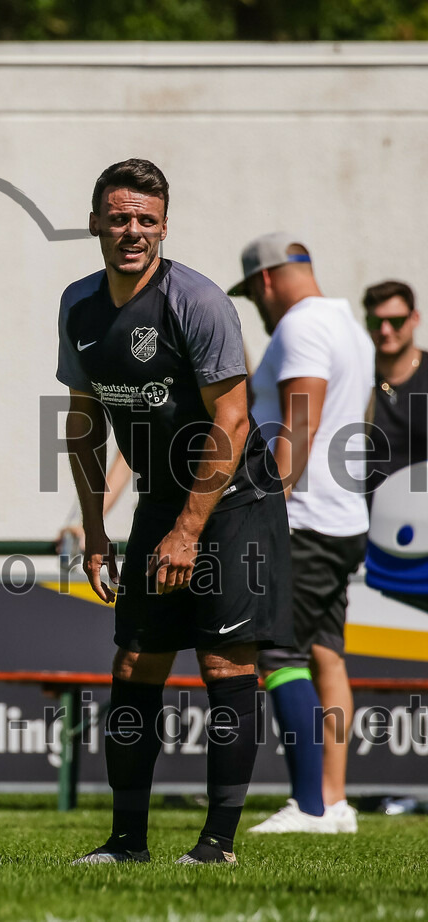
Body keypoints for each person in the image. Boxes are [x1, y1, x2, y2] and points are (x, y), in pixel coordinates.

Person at [58, 159, 291, 866]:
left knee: (224, 665)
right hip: (160, 502)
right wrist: (96, 529)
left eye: (146, 220)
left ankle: (215, 844)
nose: (133, 231)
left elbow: (233, 421)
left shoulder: (197, 300)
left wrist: (190, 530)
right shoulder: (78, 304)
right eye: (120, 217)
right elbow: (83, 418)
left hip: (234, 502)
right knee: (134, 663)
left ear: (164, 224)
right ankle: (126, 843)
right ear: (96, 221)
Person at [231, 233, 374, 834]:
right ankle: (334, 801)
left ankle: (311, 806)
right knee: (325, 655)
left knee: (279, 652)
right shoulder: (350, 327)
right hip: (342, 519)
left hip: (303, 519)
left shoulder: (300, 326)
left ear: (266, 280)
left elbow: (301, 421)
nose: (258, 310)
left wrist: (271, 506)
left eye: (253, 295)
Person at [362, 280, 427, 498]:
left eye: (396, 321)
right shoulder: (357, 376)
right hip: (368, 514)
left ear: (414, 318)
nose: (385, 330)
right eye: (375, 321)